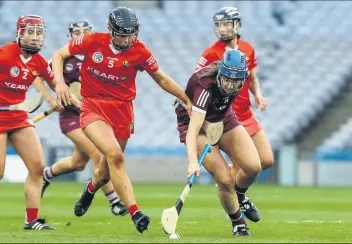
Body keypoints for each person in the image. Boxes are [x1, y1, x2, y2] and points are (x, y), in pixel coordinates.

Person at [51, 7, 192, 233]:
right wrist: (59, 83)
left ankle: (91, 187)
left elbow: (161, 78)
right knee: (115, 155)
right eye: (122, 34)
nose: (127, 39)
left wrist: (186, 99)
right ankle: (135, 212)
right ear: (110, 30)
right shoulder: (91, 41)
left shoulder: (140, 51)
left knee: (106, 170)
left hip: (123, 112)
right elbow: (58, 55)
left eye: (131, 34)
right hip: (93, 106)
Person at [34, 19, 127, 216]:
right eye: (77, 32)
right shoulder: (63, 57)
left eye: (86, 31)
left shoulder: (97, 56)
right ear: (71, 35)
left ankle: (46, 175)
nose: (81, 35)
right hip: (71, 117)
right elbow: (39, 77)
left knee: (78, 163)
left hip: (92, 113)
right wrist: (51, 99)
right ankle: (115, 202)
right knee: (97, 152)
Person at [195, 6, 274, 222]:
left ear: (237, 25)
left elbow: (253, 78)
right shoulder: (210, 53)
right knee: (244, 166)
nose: (222, 29)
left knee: (266, 160)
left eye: (226, 23)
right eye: (218, 24)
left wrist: (258, 95)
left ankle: (239, 195)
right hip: (225, 117)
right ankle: (237, 201)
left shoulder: (248, 49)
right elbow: (197, 78)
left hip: (245, 114)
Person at [175, 49, 261, 236]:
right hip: (194, 124)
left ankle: (238, 196)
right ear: (220, 73)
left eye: (235, 81)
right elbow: (193, 130)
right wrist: (192, 162)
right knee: (224, 179)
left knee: (254, 167)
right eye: (227, 79)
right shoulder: (204, 85)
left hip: (222, 117)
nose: (230, 85)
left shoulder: (240, 78)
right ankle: (238, 222)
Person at [0, 14, 55, 230]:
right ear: (20, 34)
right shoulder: (4, 54)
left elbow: (56, 85)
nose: (35, 38)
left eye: (39, 33)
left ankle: (32, 220)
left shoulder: (39, 62)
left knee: (37, 167)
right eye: (30, 33)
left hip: (19, 118)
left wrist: (65, 100)